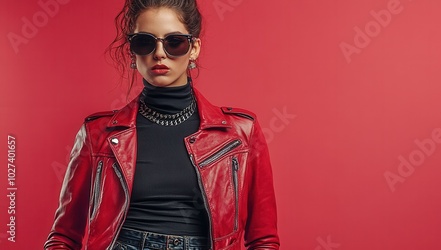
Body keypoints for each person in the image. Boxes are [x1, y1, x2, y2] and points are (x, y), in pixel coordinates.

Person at [44, 0, 280, 249]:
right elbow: (64, 237)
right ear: (132, 51)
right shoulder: (97, 134)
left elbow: (263, 239)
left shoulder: (240, 132)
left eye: (174, 42)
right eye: (145, 42)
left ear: (194, 48)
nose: (159, 53)